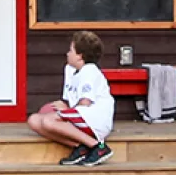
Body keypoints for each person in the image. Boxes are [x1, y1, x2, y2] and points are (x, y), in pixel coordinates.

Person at [27, 30, 115, 166]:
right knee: (34, 120)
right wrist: (63, 109)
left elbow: (85, 102)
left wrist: (66, 111)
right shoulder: (71, 70)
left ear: (80, 56)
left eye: (71, 50)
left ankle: (98, 147)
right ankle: (81, 146)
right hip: (80, 116)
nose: (67, 53)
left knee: (49, 121)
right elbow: (69, 100)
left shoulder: (89, 70)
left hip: (95, 119)